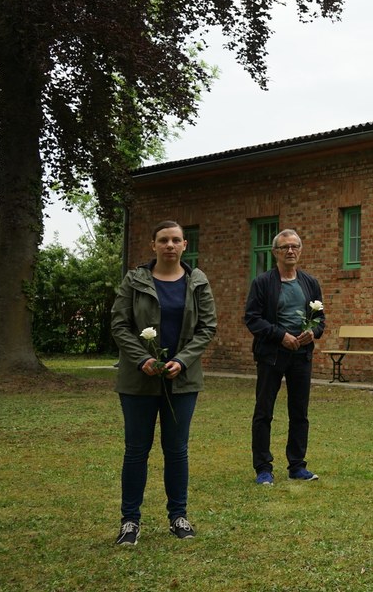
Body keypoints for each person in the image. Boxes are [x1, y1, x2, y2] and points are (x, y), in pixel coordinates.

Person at [110, 220, 217, 546]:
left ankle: (178, 516)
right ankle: (130, 521)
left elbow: (207, 328)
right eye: (163, 240)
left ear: (185, 245)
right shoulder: (134, 280)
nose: (169, 245)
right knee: (136, 451)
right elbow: (119, 325)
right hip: (138, 380)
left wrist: (182, 360)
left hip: (182, 381)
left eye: (175, 240)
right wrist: (142, 359)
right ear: (153, 245)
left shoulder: (198, 281)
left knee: (177, 450)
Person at [245, 228, 326, 485]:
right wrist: (281, 336)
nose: (290, 251)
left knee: (299, 412)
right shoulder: (262, 283)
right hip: (271, 355)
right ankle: (263, 468)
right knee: (264, 412)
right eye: (284, 247)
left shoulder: (310, 283)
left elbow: (320, 319)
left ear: (300, 251)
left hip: (301, 356)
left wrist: (312, 332)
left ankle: (297, 466)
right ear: (275, 252)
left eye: (294, 246)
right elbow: (252, 319)